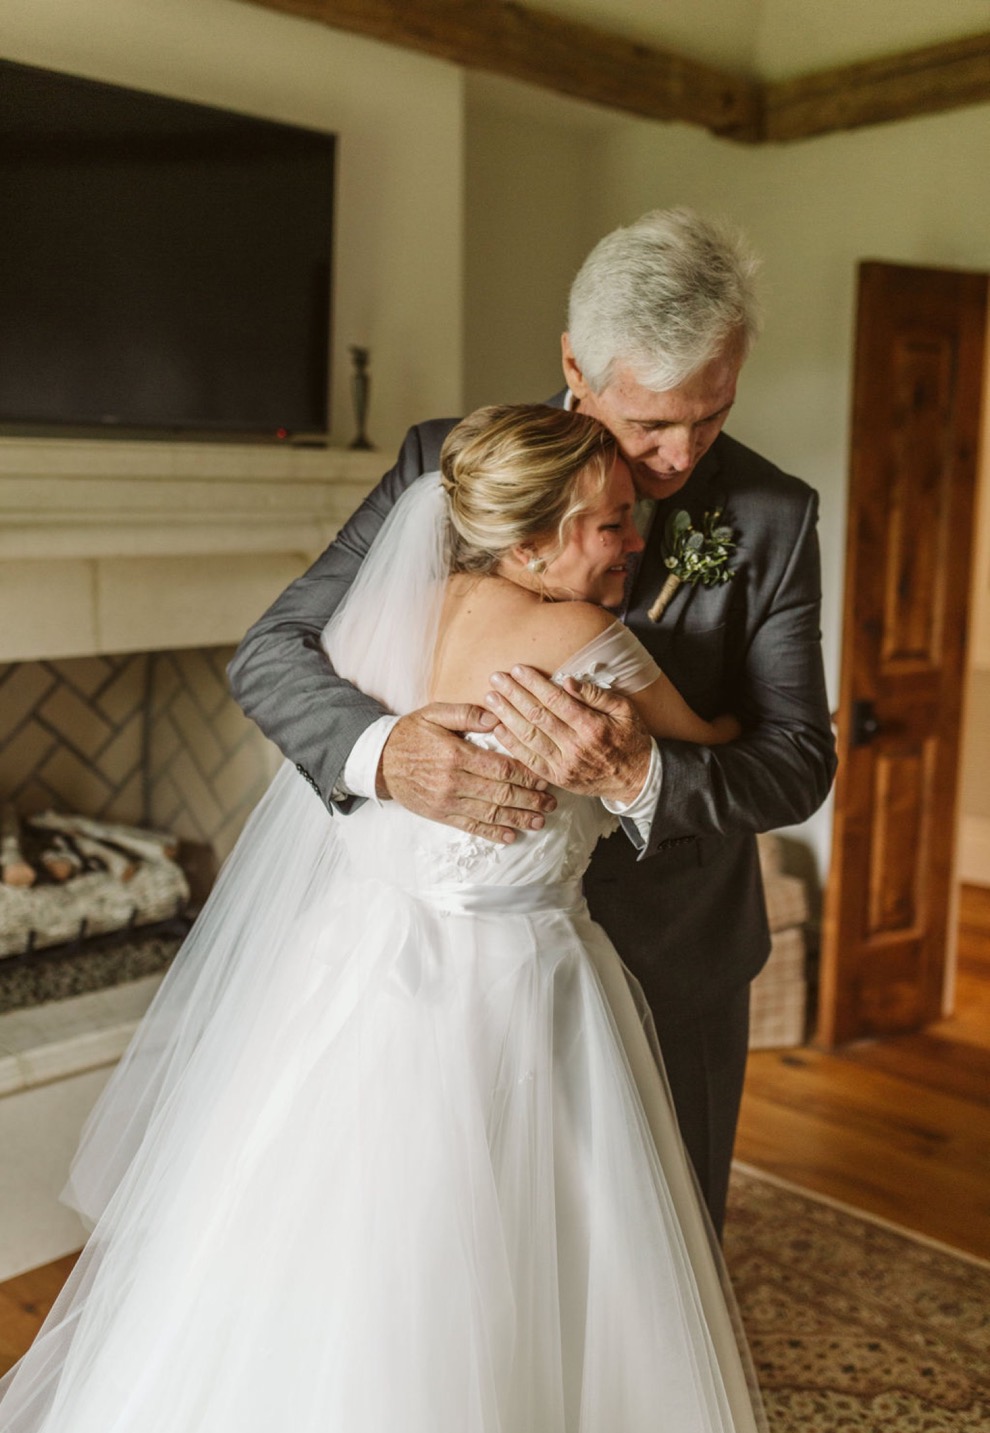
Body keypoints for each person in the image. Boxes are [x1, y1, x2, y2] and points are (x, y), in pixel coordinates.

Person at [0, 406, 778, 1433]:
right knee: (528, 1263)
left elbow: (304, 701)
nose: (634, 539)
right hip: (518, 986)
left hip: (350, 970)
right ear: (530, 544)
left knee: (314, 1262)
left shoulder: (382, 615)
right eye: (609, 525)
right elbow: (723, 751)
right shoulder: (581, 643)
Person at [227, 207, 837, 1237]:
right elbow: (271, 652)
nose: (681, 455)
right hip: (447, 967)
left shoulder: (774, 517)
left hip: (672, 955)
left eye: (713, 414)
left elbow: (796, 763)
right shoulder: (446, 460)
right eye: (649, 423)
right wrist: (387, 755)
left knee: (661, 1262)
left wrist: (644, 774)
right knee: (444, 1251)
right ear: (574, 363)